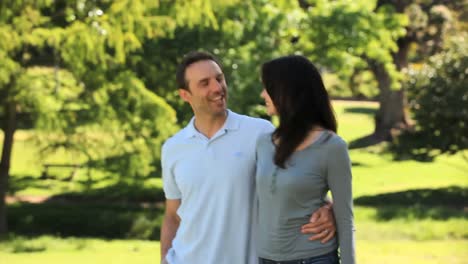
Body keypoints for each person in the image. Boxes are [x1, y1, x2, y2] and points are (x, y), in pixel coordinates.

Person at [160, 51, 337, 264]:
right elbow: (172, 216)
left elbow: (302, 182)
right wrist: (164, 259)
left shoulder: (260, 133)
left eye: (219, 78)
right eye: (204, 83)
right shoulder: (173, 147)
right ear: (185, 95)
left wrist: (329, 209)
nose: (217, 88)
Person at [256, 55, 355, 264]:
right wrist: (329, 206)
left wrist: (331, 209)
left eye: (268, 88)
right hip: (266, 259)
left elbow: (345, 219)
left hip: (313, 258)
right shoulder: (263, 143)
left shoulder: (332, 147)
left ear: (286, 92)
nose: (263, 94)